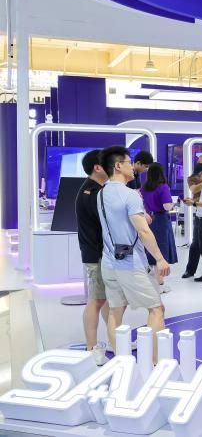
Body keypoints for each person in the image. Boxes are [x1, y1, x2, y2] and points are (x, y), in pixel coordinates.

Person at [97, 146, 170, 362]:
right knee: (157, 309)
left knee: (115, 311)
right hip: (130, 264)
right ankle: (155, 363)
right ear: (119, 166)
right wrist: (160, 258)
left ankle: (121, 362)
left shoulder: (102, 193)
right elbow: (143, 231)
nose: (133, 167)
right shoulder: (130, 195)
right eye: (129, 163)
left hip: (109, 262)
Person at [74, 149, 110, 366]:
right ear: (97, 167)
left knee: (105, 299)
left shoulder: (94, 189)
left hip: (99, 252)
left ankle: (115, 338)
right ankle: (91, 348)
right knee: (96, 300)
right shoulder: (93, 192)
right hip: (96, 254)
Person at [141, 163, 178, 292]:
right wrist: (173, 204)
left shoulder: (144, 188)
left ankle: (154, 282)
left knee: (151, 248)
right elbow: (167, 206)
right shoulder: (163, 187)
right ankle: (160, 284)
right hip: (161, 220)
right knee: (161, 249)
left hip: (149, 219)